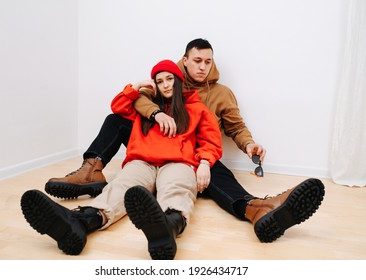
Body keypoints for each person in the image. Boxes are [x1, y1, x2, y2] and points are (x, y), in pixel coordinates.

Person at [44, 38, 325, 243]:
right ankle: (89, 178)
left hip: (189, 156)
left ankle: (252, 207)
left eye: (208, 61)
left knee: (205, 169)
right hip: (148, 151)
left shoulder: (214, 98)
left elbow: (229, 130)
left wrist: (246, 145)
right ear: (185, 62)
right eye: (197, 61)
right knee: (117, 132)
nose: (202, 67)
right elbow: (123, 106)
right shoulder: (158, 89)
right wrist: (153, 109)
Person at [21, 59, 223, 260]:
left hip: (177, 162)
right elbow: (117, 107)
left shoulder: (197, 109)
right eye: (159, 81)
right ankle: (81, 221)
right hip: (142, 161)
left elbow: (211, 142)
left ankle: (169, 226)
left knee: (177, 187)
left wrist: (204, 163)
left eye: (169, 79)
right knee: (121, 186)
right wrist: (136, 87)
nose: (166, 85)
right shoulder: (146, 107)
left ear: (178, 81)